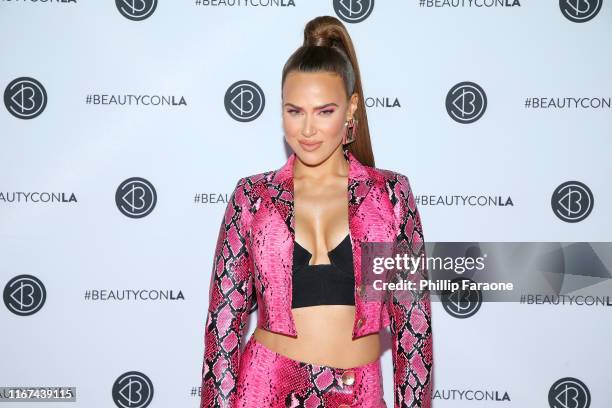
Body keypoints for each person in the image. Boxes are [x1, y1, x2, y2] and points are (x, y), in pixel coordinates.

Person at [200, 15, 433, 408]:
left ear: (350, 108)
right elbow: (224, 326)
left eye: (324, 111)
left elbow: (414, 329)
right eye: (295, 111)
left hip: (358, 394)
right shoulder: (253, 197)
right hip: (266, 386)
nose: (307, 130)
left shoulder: (389, 196)